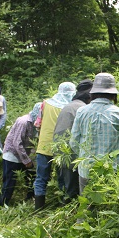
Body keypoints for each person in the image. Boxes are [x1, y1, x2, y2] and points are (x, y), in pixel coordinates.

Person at [33, 82, 77, 210]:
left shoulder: (45, 103)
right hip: (61, 147)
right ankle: (62, 206)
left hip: (44, 145)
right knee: (62, 178)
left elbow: (38, 124)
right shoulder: (70, 107)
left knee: (41, 178)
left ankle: (38, 209)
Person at [53, 79, 93, 203]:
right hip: (71, 154)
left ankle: (64, 211)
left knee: (65, 187)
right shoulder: (82, 109)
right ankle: (70, 217)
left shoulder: (68, 106)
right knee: (73, 190)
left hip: (60, 153)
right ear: (88, 97)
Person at [0, 105, 40, 206]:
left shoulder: (35, 124)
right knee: (9, 182)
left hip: (23, 155)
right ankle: (2, 205)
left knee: (30, 177)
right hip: (12, 155)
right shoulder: (24, 122)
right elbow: (17, 143)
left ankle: (29, 199)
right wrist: (27, 161)